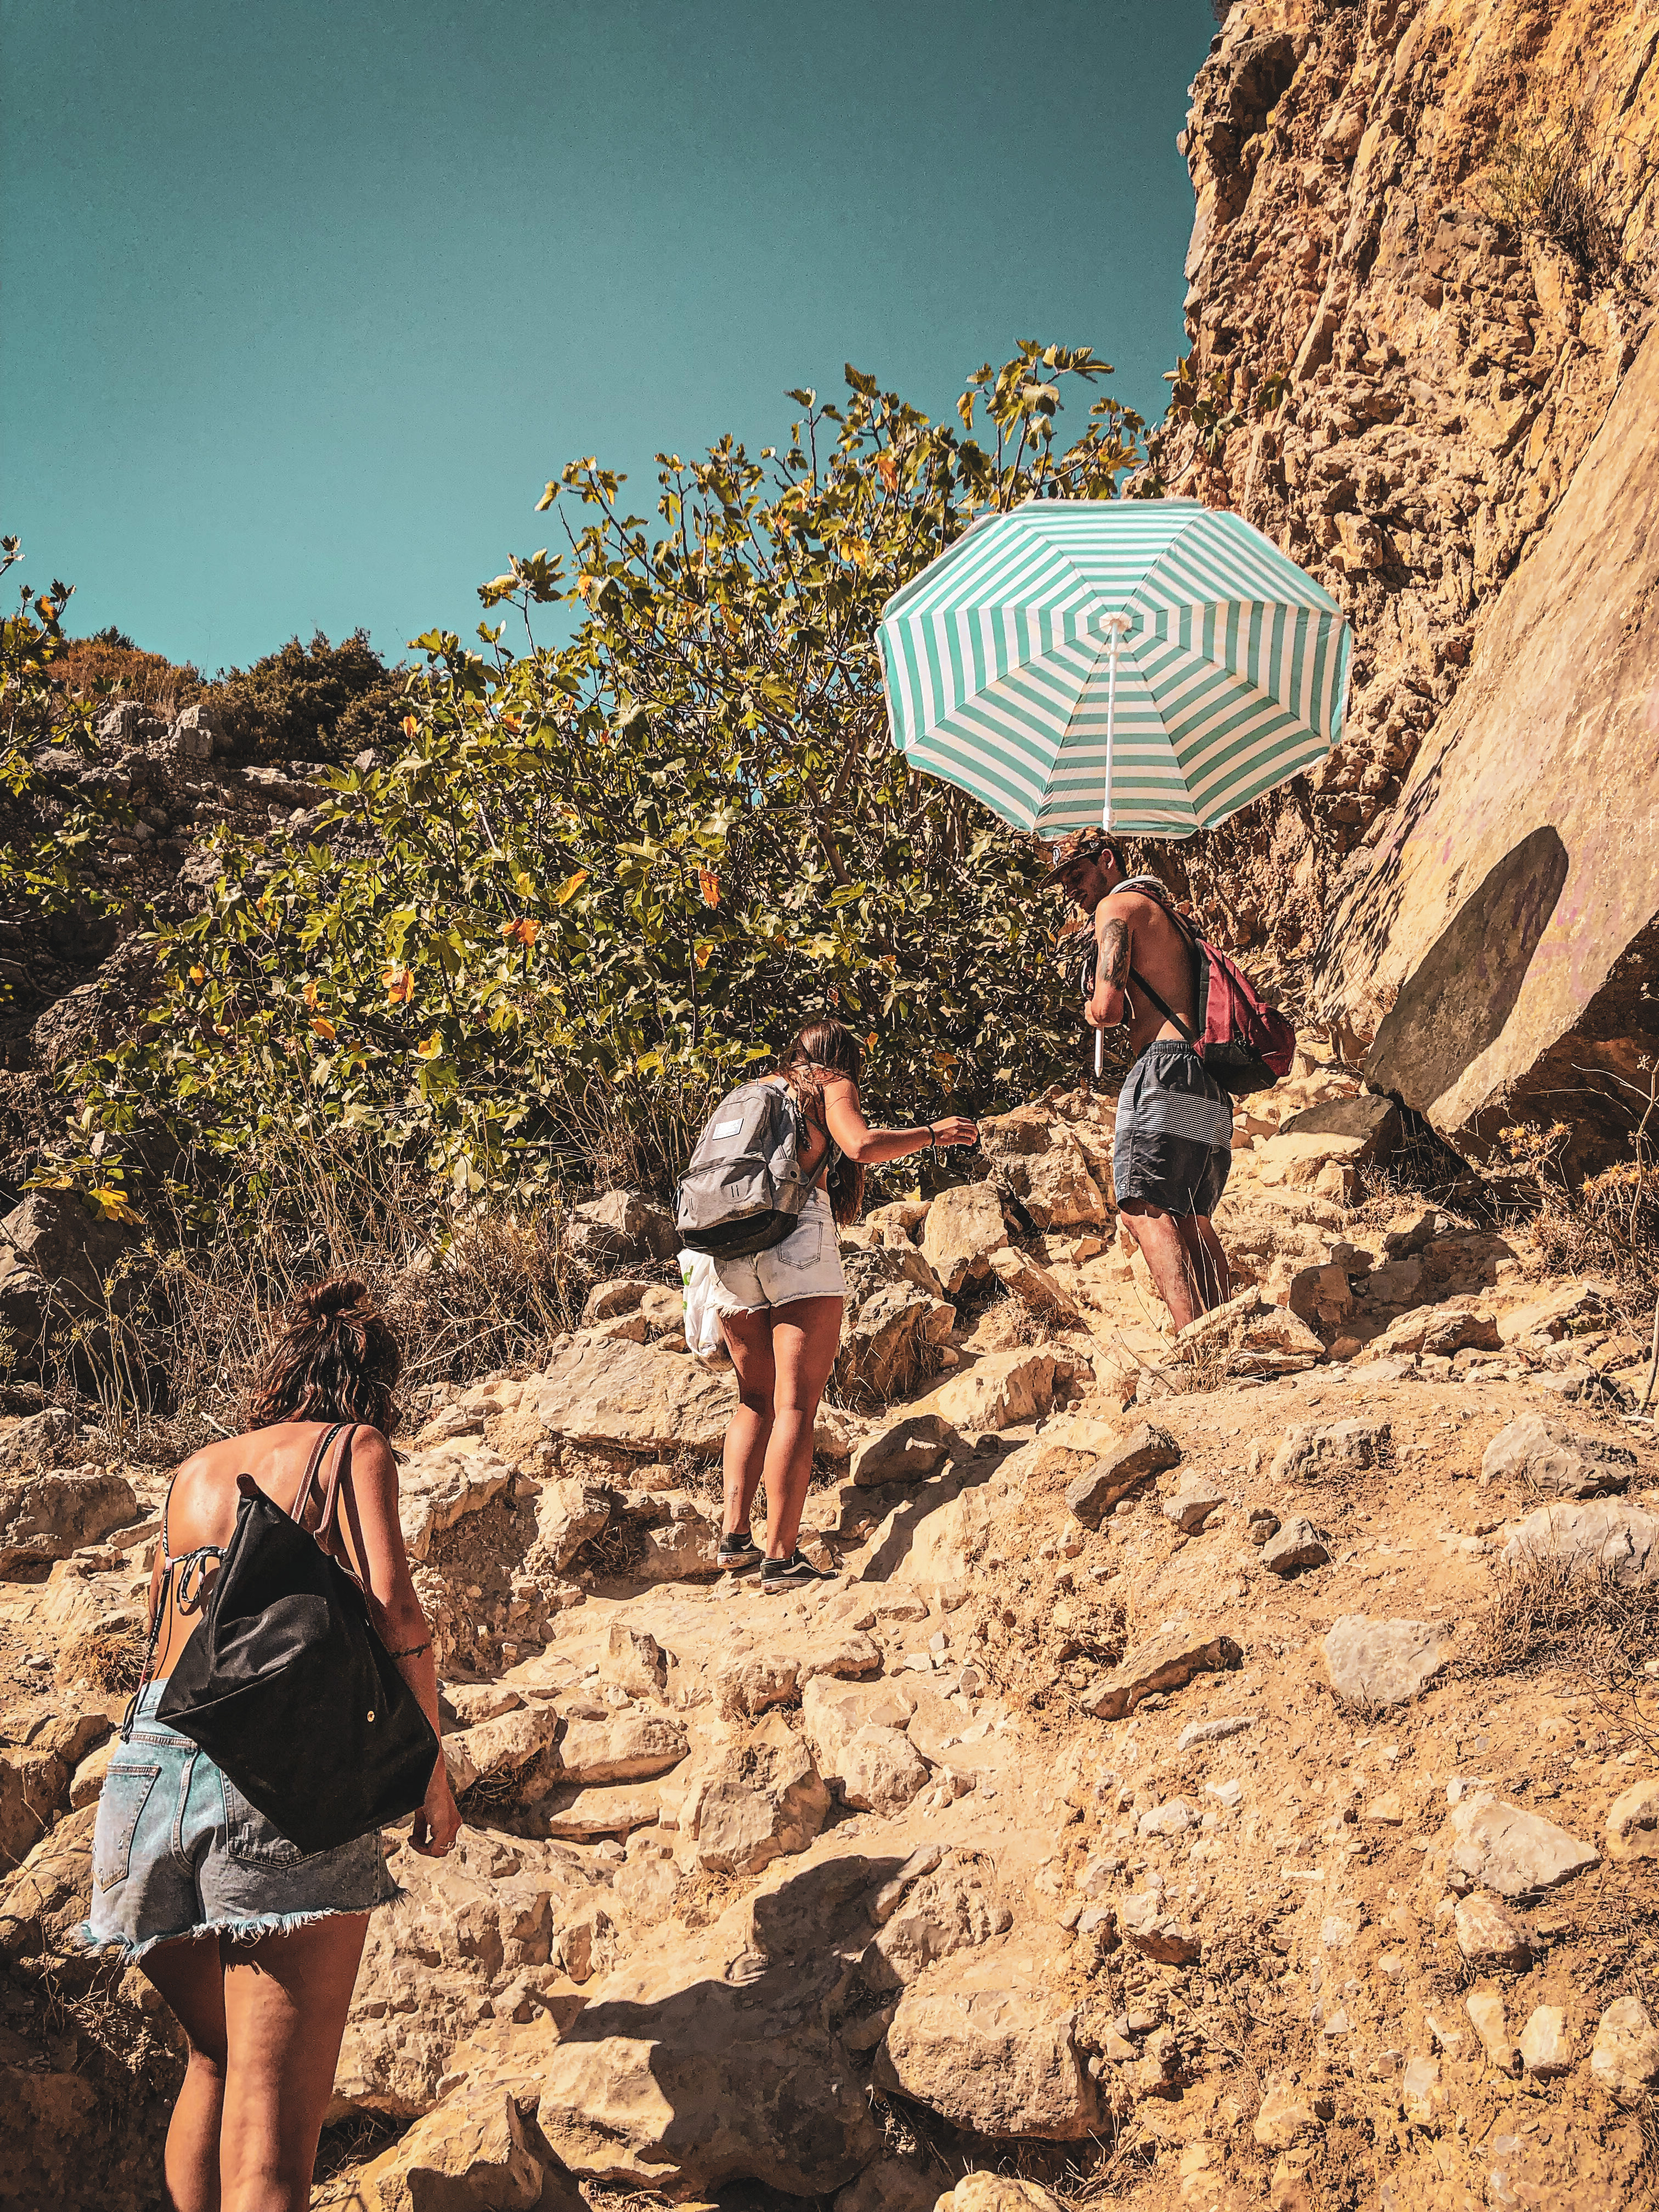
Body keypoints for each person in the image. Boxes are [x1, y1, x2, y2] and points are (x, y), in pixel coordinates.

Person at [81, 1279, 461, 2212]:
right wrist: (429, 1762)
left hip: (143, 1776)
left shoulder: (195, 1469)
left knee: (211, 2059)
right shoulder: (352, 1448)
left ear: (282, 1368)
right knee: (275, 2161)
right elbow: (396, 1608)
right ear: (375, 1386)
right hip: (268, 1781)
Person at [708, 1018, 978, 1590]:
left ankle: (734, 1539)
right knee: (796, 1406)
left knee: (754, 1398)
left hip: (729, 1249)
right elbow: (858, 1144)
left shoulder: (755, 1089)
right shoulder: (828, 1083)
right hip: (795, 1241)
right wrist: (933, 1132)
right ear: (841, 1059)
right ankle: (781, 1558)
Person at [1045, 828, 1233, 1330]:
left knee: (1142, 1206)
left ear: (1108, 860)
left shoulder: (1117, 909)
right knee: (1192, 1214)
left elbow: (1106, 1009)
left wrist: (1091, 1005)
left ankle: (1194, 1338)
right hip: (1205, 1074)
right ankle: (1227, 1332)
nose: (1070, 888)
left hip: (1163, 1066)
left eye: (1077, 874)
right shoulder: (1170, 913)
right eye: (1063, 881)